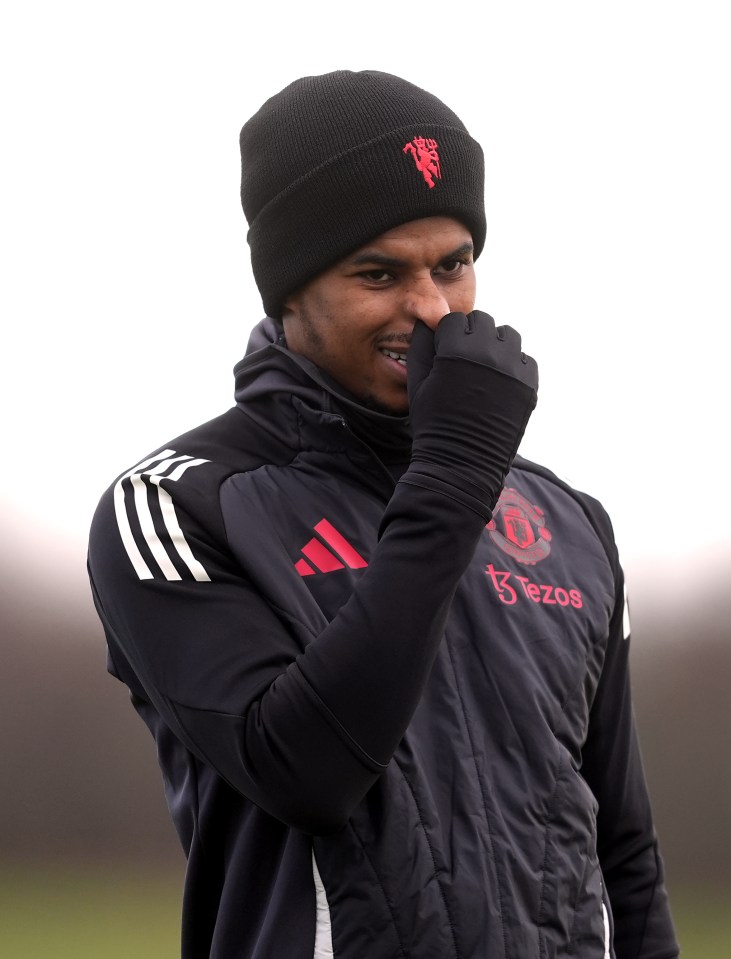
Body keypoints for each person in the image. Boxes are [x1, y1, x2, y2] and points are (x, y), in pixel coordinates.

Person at [88, 70, 679, 959]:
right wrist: (452, 477)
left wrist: (463, 471)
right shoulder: (176, 503)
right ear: (287, 290)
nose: (432, 308)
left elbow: (623, 850)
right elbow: (304, 772)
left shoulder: (570, 525)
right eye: (379, 272)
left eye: (453, 264)